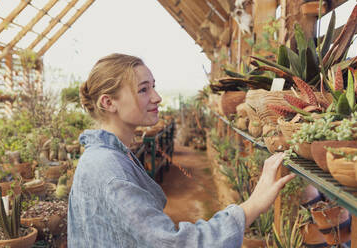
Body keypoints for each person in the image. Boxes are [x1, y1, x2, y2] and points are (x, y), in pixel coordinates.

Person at [67, 53, 296, 248]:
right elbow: (171, 243)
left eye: (153, 86)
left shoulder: (105, 155)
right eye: (143, 90)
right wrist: (253, 204)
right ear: (108, 103)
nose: (157, 97)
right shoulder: (109, 170)